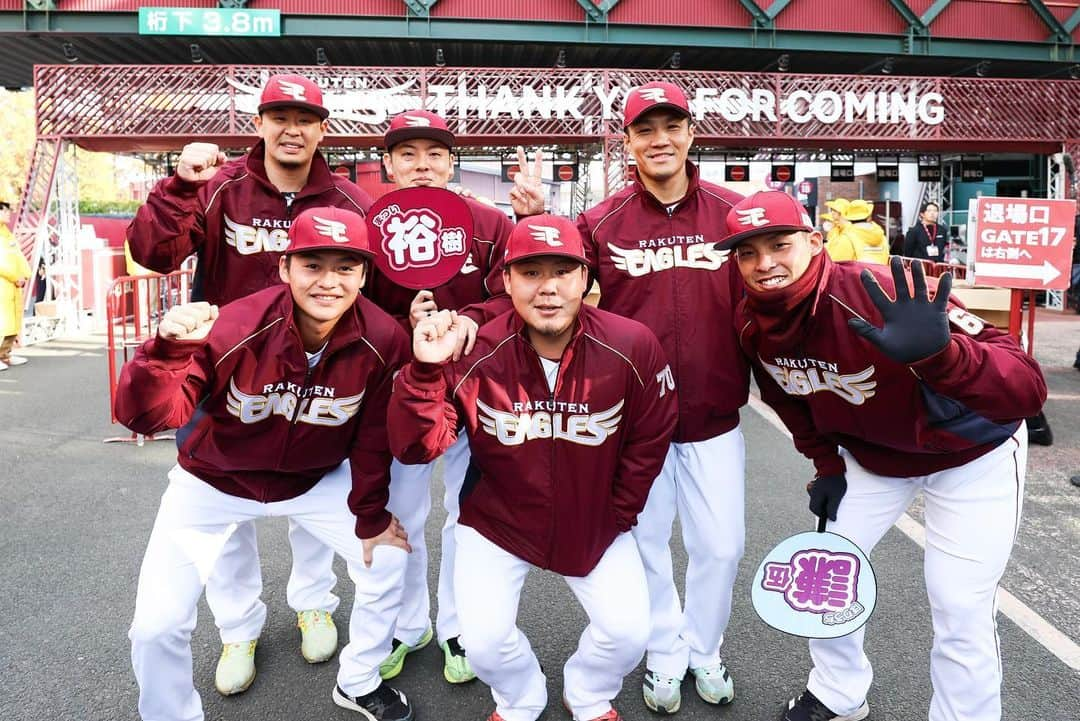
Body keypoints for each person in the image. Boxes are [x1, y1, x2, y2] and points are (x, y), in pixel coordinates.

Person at [716, 190, 1047, 721]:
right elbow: (786, 398)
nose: (764, 264)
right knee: (823, 578)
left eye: (778, 244)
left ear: (814, 241)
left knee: (959, 604)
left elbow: (1027, 387)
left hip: (971, 453)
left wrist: (945, 355)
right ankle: (838, 692)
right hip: (873, 458)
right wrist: (825, 463)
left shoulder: (884, 292)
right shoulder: (752, 324)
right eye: (747, 254)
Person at [115, 207, 415, 721]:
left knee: (388, 559)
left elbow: (370, 439)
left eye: (345, 267)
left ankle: (360, 679)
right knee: (156, 625)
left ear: (364, 275)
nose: (328, 281)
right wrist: (165, 353)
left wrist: (370, 517)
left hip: (312, 482)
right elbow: (146, 417)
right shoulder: (234, 325)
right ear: (284, 267)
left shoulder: (385, 338)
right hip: (211, 482)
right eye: (312, 265)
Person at [126, 73, 374, 694]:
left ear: (323, 129)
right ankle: (238, 626)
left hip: (317, 373)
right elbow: (153, 253)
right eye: (279, 116)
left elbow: (377, 289)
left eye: (306, 118)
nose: (292, 129)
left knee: (315, 489)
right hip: (219, 374)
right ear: (258, 123)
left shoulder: (347, 200)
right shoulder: (218, 188)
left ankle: (314, 601)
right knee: (222, 508)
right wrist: (181, 184)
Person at [511, 81, 749, 713]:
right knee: (644, 543)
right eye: (645, 130)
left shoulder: (730, 213)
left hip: (713, 417)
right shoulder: (601, 220)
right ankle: (665, 654)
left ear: (691, 133)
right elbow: (551, 278)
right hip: (633, 420)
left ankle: (705, 647)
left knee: (720, 546)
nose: (660, 139)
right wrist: (535, 218)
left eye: (671, 126)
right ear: (630, 143)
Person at [387, 214, 678, 721]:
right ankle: (520, 697)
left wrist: (618, 512)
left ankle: (587, 692)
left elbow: (650, 436)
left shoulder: (633, 344)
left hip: (593, 519)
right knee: (482, 642)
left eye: (563, 271)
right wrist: (425, 371)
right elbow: (418, 448)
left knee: (630, 632)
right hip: (497, 521)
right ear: (506, 281)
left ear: (585, 278)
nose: (548, 289)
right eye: (531, 272)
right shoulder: (472, 350)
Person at [364, 109, 514, 684]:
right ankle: (407, 625)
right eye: (407, 154)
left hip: (478, 390)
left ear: (452, 162)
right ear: (388, 164)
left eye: (433, 154)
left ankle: (456, 627)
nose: (421, 165)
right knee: (402, 513)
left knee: (467, 513)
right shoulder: (371, 227)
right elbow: (346, 302)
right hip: (401, 394)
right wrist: (402, 320)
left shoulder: (487, 222)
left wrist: (472, 315)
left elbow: (514, 294)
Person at [0, 200, 31, 370]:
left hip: (13, 284)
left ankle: (5, 354)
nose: (8, 214)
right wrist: (14, 276)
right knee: (2, 321)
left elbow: (17, 256)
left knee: (12, 322)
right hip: (4, 283)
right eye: (4, 211)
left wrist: (25, 274)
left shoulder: (6, 233)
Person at [824, 198, 889, 265]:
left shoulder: (847, 237)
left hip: (856, 275)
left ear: (849, 217)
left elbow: (835, 265)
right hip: (881, 274)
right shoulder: (882, 238)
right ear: (869, 217)